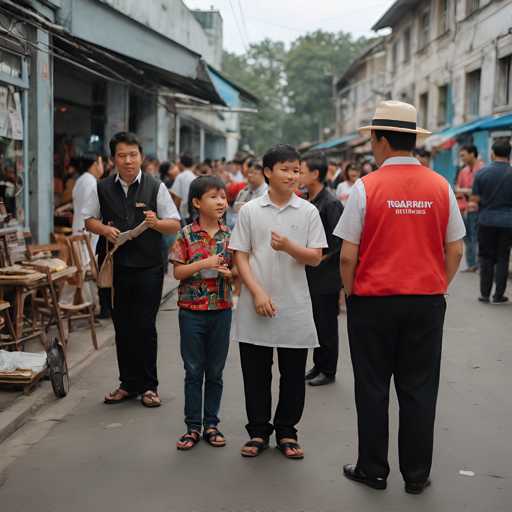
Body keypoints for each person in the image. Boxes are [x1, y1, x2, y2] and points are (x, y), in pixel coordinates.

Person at [334, 101, 465, 494]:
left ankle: (373, 470)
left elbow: (346, 255)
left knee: (372, 387)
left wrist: (351, 293)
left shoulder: (366, 187)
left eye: (373, 139)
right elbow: (456, 248)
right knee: (419, 388)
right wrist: (437, 285)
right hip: (425, 301)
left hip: (373, 302)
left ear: (382, 140)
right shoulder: (440, 185)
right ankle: (416, 474)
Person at [229, 144, 327, 460]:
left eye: (296, 170)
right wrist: (256, 292)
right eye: (285, 169)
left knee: (293, 373)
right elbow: (240, 255)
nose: (292, 175)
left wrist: (288, 246)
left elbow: (315, 258)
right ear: (268, 172)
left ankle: (287, 431)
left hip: (294, 303)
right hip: (255, 302)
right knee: (256, 373)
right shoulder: (250, 211)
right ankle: (258, 431)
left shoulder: (308, 211)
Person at [84, 132, 181, 408]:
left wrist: (155, 222)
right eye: (122, 155)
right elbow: (89, 219)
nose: (128, 161)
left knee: (145, 326)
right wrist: (104, 229)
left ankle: (149, 386)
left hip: (149, 267)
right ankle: (128, 384)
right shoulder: (101, 188)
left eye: (133, 155)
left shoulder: (155, 187)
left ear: (141, 156)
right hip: (116, 267)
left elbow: (174, 223)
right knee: (122, 326)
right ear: (113, 159)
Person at [170, 176, 233, 451]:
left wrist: (230, 273)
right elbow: (177, 272)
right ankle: (192, 427)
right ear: (197, 202)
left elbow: (239, 273)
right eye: (214, 197)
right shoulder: (185, 234)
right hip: (191, 312)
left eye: (223, 197)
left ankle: (212, 425)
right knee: (194, 370)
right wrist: (203, 264)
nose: (221, 202)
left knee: (216, 371)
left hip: (221, 310)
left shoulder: (230, 235)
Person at [300, 154, 343, 386]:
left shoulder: (331, 203)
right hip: (311, 272)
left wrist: (317, 259)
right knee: (315, 322)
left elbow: (338, 243)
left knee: (327, 323)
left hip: (325, 274)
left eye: (301, 171)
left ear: (316, 174)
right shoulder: (309, 200)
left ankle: (329, 369)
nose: (297, 175)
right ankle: (319, 364)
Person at [471, 140, 512, 304]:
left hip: (486, 221)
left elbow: (474, 200)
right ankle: (498, 295)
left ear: (492, 153)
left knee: (486, 257)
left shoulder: (481, 173)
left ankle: (485, 294)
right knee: (503, 258)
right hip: (508, 223)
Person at [456, 145, 484, 272]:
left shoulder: (482, 169)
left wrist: (466, 191)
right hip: (464, 209)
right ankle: (471, 264)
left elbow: (481, 192)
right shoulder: (463, 171)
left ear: (472, 154)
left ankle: (478, 264)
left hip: (478, 209)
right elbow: (458, 190)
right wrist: (468, 191)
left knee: (476, 237)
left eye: (463, 155)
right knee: (467, 238)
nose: (461, 158)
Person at [171, 154, 197, 224]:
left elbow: (177, 197)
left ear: (181, 164)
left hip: (183, 211)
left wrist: (173, 212)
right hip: (193, 210)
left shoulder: (180, 177)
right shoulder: (194, 177)